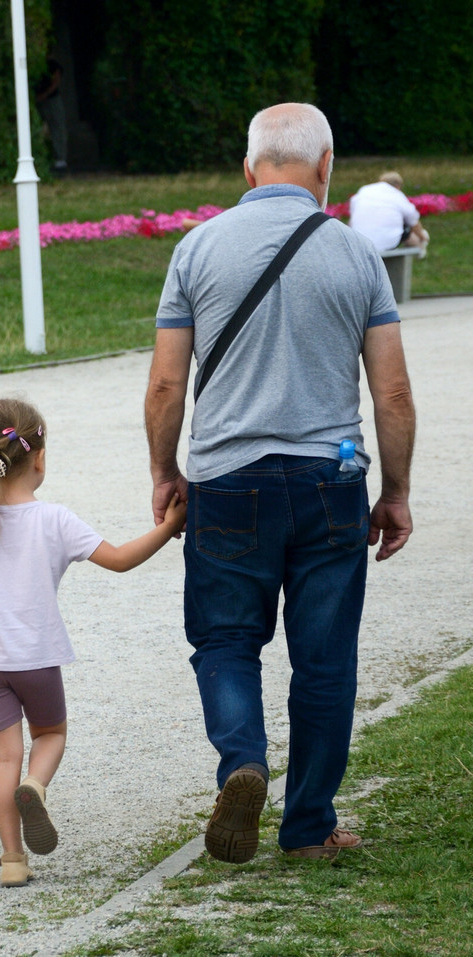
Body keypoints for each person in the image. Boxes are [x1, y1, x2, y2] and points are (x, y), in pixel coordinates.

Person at [145, 103, 415, 864]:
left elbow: (168, 385)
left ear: (248, 168)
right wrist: (393, 492)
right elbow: (391, 393)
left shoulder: (197, 249)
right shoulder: (357, 254)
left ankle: (243, 763)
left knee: (226, 640)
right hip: (330, 482)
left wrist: (167, 471)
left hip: (228, 480)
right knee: (325, 659)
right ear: (325, 165)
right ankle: (309, 827)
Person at [0, 397, 186, 887]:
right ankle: (36, 785)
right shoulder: (55, 519)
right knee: (49, 736)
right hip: (36, 660)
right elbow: (119, 559)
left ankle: (12, 860)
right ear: (39, 458)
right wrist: (170, 526)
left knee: (1, 757)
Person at [348, 171, 429, 253]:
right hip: (386, 245)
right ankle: (420, 251)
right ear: (398, 186)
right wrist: (422, 237)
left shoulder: (364, 190)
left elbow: (351, 221)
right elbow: (413, 220)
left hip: (359, 244)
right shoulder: (397, 195)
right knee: (406, 230)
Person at [35, 55, 69, 176]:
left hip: (51, 99)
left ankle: (60, 159)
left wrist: (45, 94)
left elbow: (56, 80)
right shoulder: (35, 65)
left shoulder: (53, 65)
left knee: (57, 128)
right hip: (39, 99)